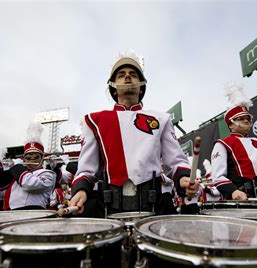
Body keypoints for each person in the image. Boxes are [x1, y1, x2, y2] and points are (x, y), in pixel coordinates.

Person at [69, 51, 198, 216]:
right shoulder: (94, 121)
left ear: (141, 86)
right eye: (121, 75)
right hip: (108, 209)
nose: (128, 77)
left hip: (154, 206)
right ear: (113, 88)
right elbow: (87, 169)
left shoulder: (161, 119)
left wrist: (183, 178)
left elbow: (175, 162)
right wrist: (81, 190)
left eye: (133, 75)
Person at [0, 122, 55, 210]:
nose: (32, 159)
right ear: (24, 159)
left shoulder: (48, 174)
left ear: (42, 158)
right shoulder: (20, 172)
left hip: (33, 211)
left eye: (36, 156)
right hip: (12, 211)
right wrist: (7, 169)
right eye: (28, 157)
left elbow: (30, 185)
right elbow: (1, 192)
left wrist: (17, 167)